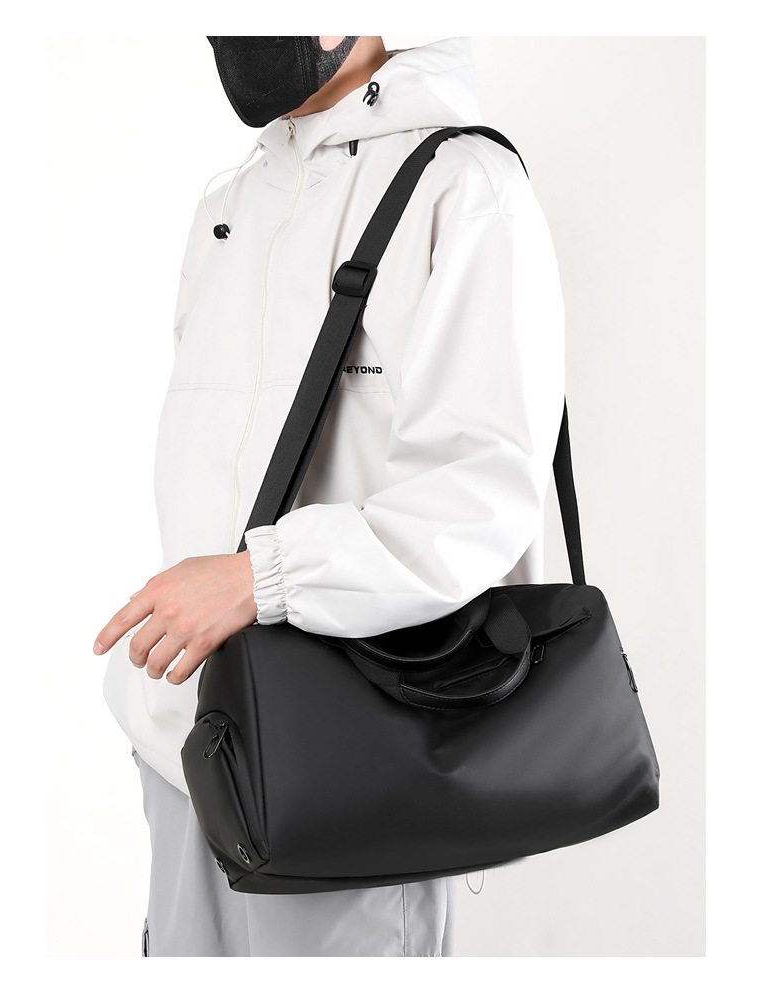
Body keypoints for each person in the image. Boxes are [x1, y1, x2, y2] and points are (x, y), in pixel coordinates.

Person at [94, 35, 565, 957]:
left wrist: (259, 577)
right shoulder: (229, 207)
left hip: (352, 765)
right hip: (187, 747)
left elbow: (482, 495)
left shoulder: (463, 187)